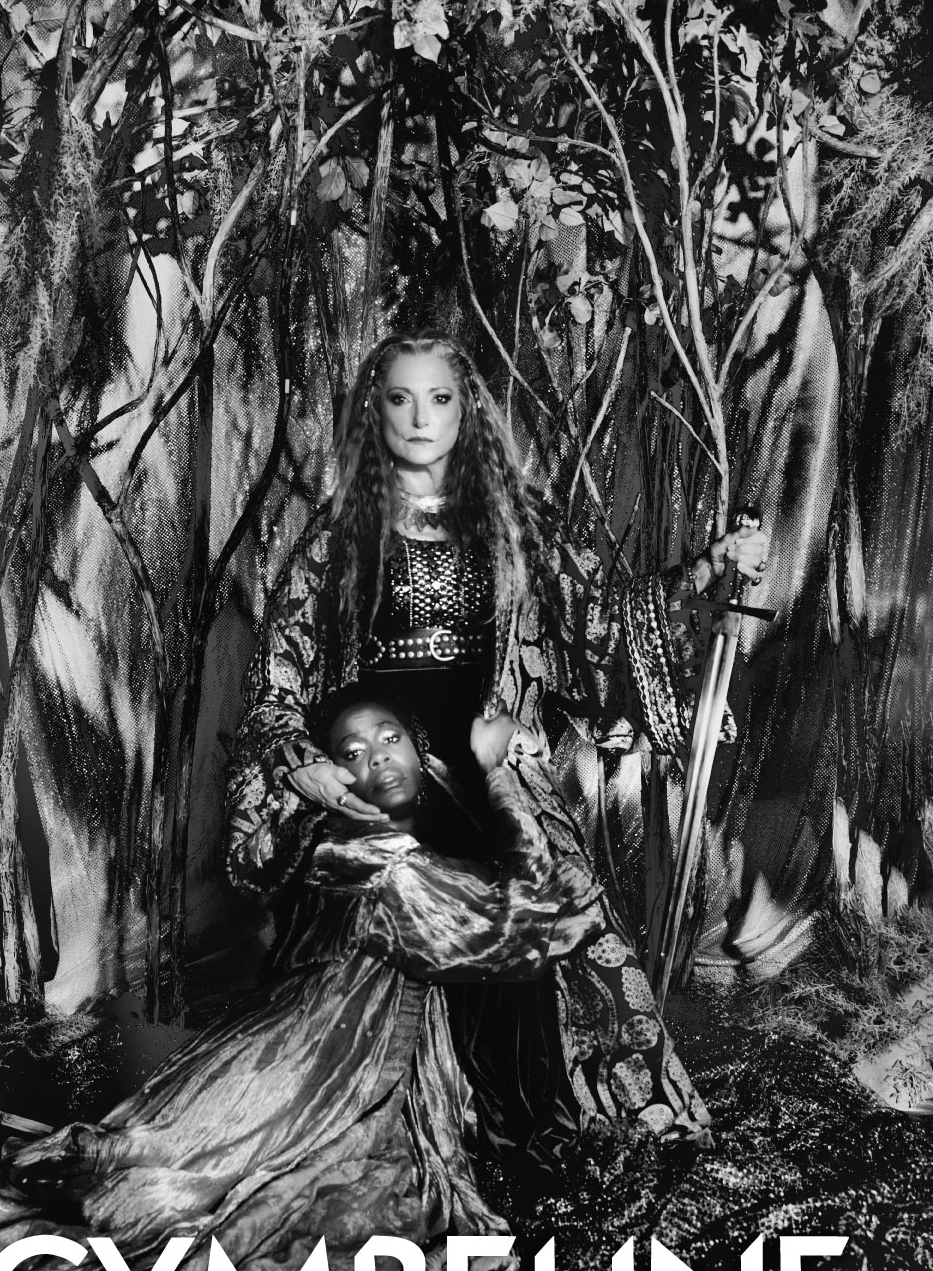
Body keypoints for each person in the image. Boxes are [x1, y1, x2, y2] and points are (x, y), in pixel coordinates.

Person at [0, 692, 703, 1271]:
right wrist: (499, 774)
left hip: (269, 1055)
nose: (376, 759)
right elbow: (532, 923)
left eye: (389, 738)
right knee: (289, 1219)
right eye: (351, 752)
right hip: (324, 1074)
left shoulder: (339, 840)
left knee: (176, 1194)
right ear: (333, 774)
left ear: (420, 751)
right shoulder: (381, 861)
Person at [228, 331, 768, 1165]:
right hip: (383, 765)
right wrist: (303, 764)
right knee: (392, 898)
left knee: (556, 905)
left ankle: (550, 1123)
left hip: (493, 757)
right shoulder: (337, 540)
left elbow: (603, 623)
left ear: (466, 412)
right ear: (374, 412)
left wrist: (706, 568)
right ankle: (412, 1123)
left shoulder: (518, 525)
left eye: (438, 398)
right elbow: (276, 687)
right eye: (400, 398)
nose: (420, 418)